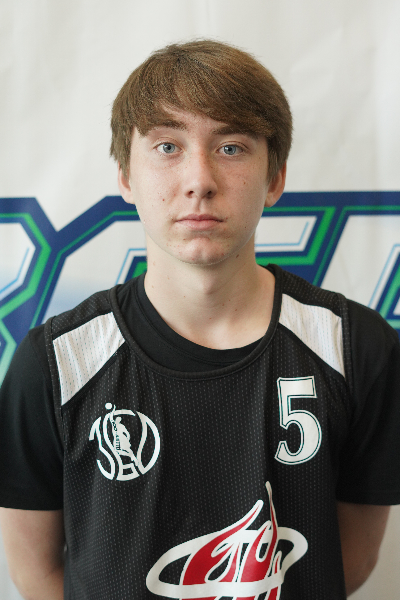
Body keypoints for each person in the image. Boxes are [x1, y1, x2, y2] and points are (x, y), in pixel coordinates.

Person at [0, 39, 399, 600]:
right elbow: (34, 572)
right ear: (126, 176)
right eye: (167, 146)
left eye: (231, 148)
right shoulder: (54, 363)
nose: (199, 180)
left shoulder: (356, 348)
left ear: (275, 178)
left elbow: (348, 559)